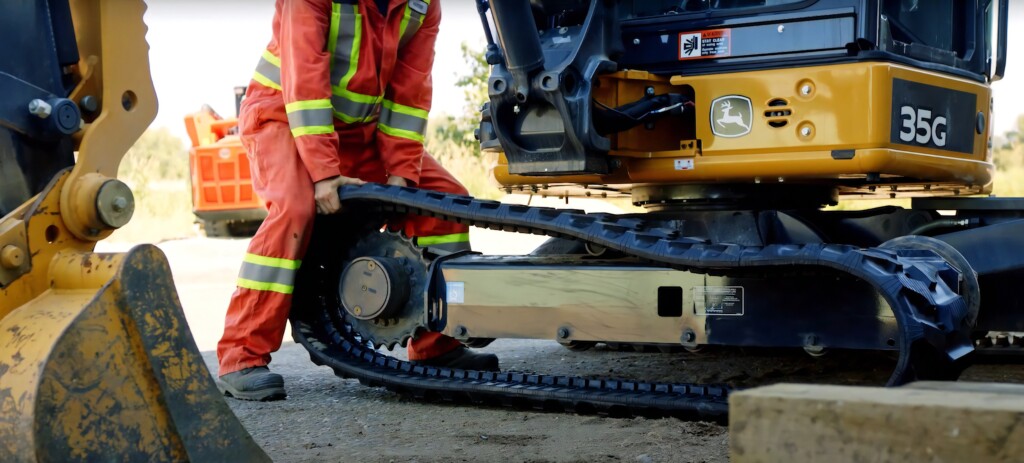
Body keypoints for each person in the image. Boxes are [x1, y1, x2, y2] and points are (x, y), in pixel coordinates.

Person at [216, 0, 498, 401]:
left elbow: (409, 93)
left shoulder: (423, 6)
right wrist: (324, 173)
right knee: (294, 209)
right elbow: (305, 82)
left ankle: (437, 343)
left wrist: (402, 174)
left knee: (443, 201)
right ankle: (241, 354)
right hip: (282, 114)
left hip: (361, 132)